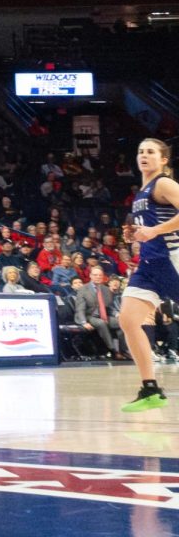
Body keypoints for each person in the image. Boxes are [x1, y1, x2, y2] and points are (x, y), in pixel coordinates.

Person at [120, 138, 179, 412]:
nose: (144, 155)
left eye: (151, 152)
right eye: (141, 151)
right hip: (149, 264)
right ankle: (150, 389)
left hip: (172, 260)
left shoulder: (163, 183)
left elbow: (159, 228)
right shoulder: (142, 190)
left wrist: (155, 231)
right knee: (128, 320)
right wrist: (136, 234)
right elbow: (151, 225)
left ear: (163, 159)